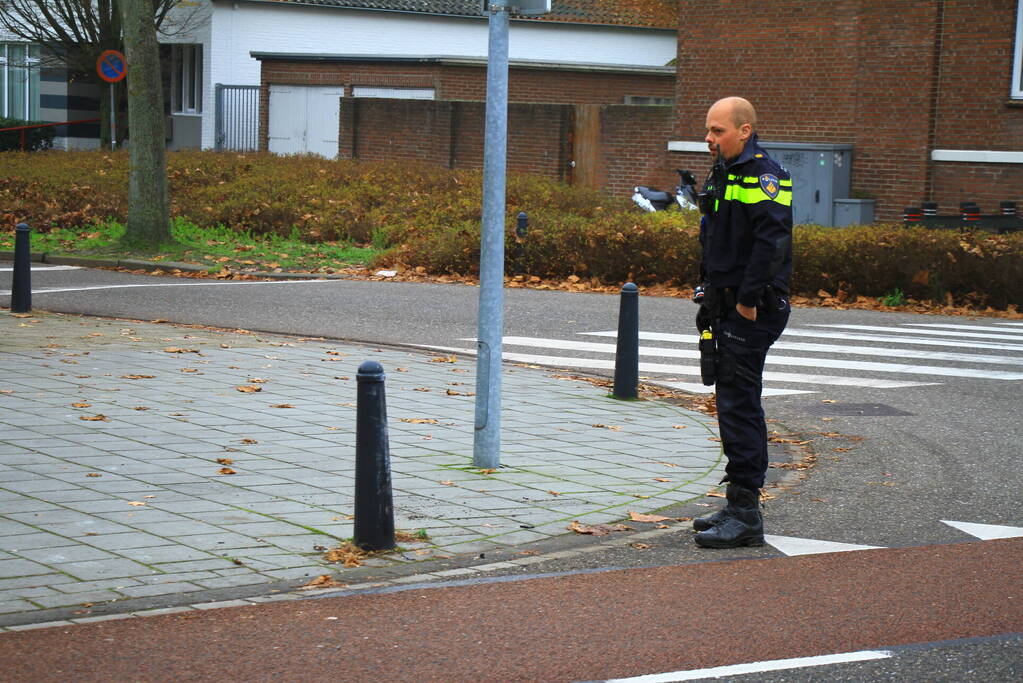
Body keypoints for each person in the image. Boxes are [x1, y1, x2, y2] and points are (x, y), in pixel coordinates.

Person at [691, 96, 793, 549]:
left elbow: (771, 244)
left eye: (718, 130)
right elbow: (713, 235)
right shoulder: (725, 170)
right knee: (732, 401)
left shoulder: (765, 175)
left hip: (752, 307)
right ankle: (737, 504)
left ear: (745, 130)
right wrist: (705, 291)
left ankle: (746, 514)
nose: (709, 139)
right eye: (709, 130)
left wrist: (748, 302)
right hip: (726, 302)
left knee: (740, 405)